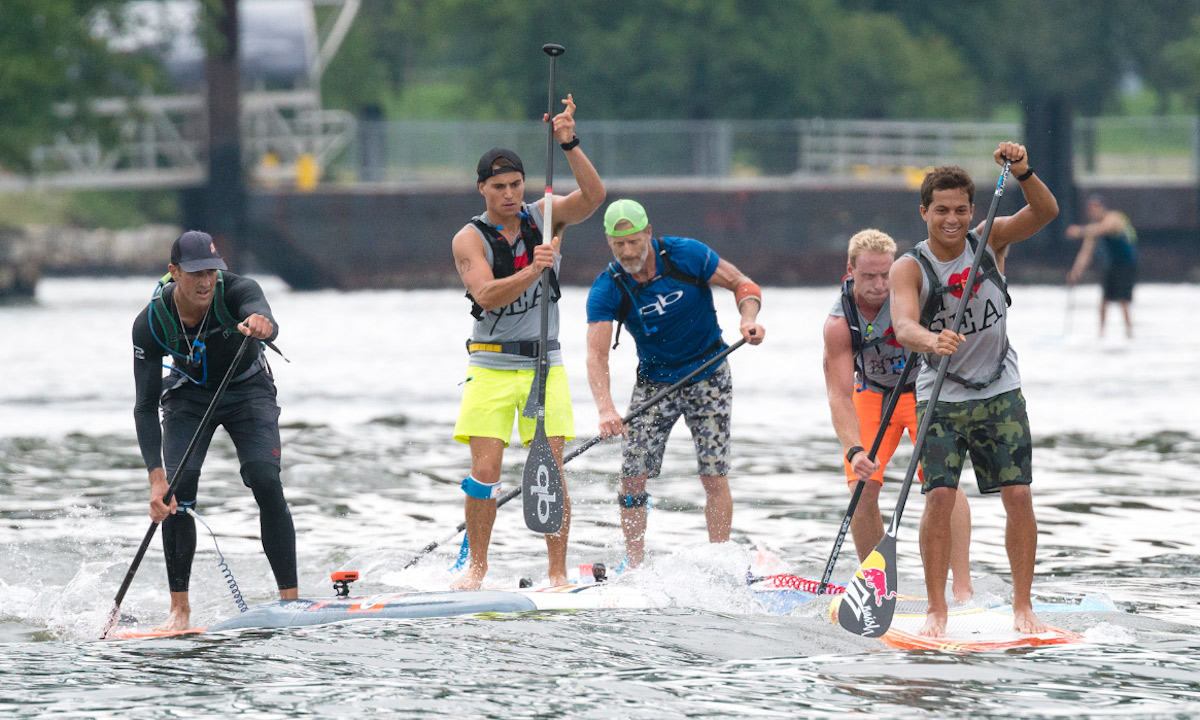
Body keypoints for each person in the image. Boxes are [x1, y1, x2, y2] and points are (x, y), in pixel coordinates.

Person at [891, 143, 1059, 637]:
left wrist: (1024, 170)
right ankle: (936, 610)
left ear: (971, 209)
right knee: (940, 498)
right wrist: (931, 339)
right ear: (924, 212)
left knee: (1019, 494)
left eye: (961, 209)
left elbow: (1046, 211)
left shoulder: (990, 240)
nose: (953, 220)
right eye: (941, 210)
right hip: (939, 395)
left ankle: (1023, 607)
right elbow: (902, 325)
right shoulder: (910, 267)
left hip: (1000, 387)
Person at [451, 93, 605, 590]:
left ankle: (556, 573)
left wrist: (569, 142)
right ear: (482, 189)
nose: (511, 194)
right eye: (499, 187)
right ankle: (476, 569)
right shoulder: (468, 238)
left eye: (516, 184)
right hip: (491, 367)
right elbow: (487, 296)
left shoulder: (546, 215)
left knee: (549, 467)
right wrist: (533, 268)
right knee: (487, 468)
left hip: (544, 365)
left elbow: (594, 196)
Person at [584, 199, 765, 569]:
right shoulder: (608, 287)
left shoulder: (686, 255)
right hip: (654, 385)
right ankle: (635, 566)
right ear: (609, 243)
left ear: (649, 233)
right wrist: (605, 407)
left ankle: (719, 562)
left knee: (713, 475)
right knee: (632, 478)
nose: (628, 252)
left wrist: (748, 320)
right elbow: (596, 355)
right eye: (619, 245)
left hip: (709, 373)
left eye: (634, 242)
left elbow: (743, 284)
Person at [131, 230, 296, 631]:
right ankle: (180, 611)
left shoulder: (237, 291)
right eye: (195, 273)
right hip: (189, 396)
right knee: (177, 491)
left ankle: (291, 602)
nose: (206, 281)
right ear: (174, 273)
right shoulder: (150, 323)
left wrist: (263, 324)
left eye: (211, 271)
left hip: (247, 389)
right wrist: (156, 479)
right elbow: (144, 407)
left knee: (265, 480)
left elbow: (264, 315)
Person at [821, 229, 974, 604]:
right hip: (872, 396)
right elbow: (839, 395)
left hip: (922, 391)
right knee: (862, 487)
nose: (878, 285)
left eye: (885, 275)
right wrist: (854, 449)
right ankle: (877, 588)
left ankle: (963, 588)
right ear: (850, 271)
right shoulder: (839, 322)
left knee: (944, 484)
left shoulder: (912, 294)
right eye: (868, 276)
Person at [1066, 194, 1138, 338]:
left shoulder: (1114, 217)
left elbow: (1105, 228)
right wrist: (1075, 271)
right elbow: (1086, 252)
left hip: (1126, 264)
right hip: (1111, 264)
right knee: (1104, 300)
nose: (1093, 212)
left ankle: (1129, 332)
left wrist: (1079, 231)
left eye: (1095, 208)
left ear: (1102, 207)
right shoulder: (1093, 228)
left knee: (1122, 299)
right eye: (1090, 209)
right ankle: (1101, 333)